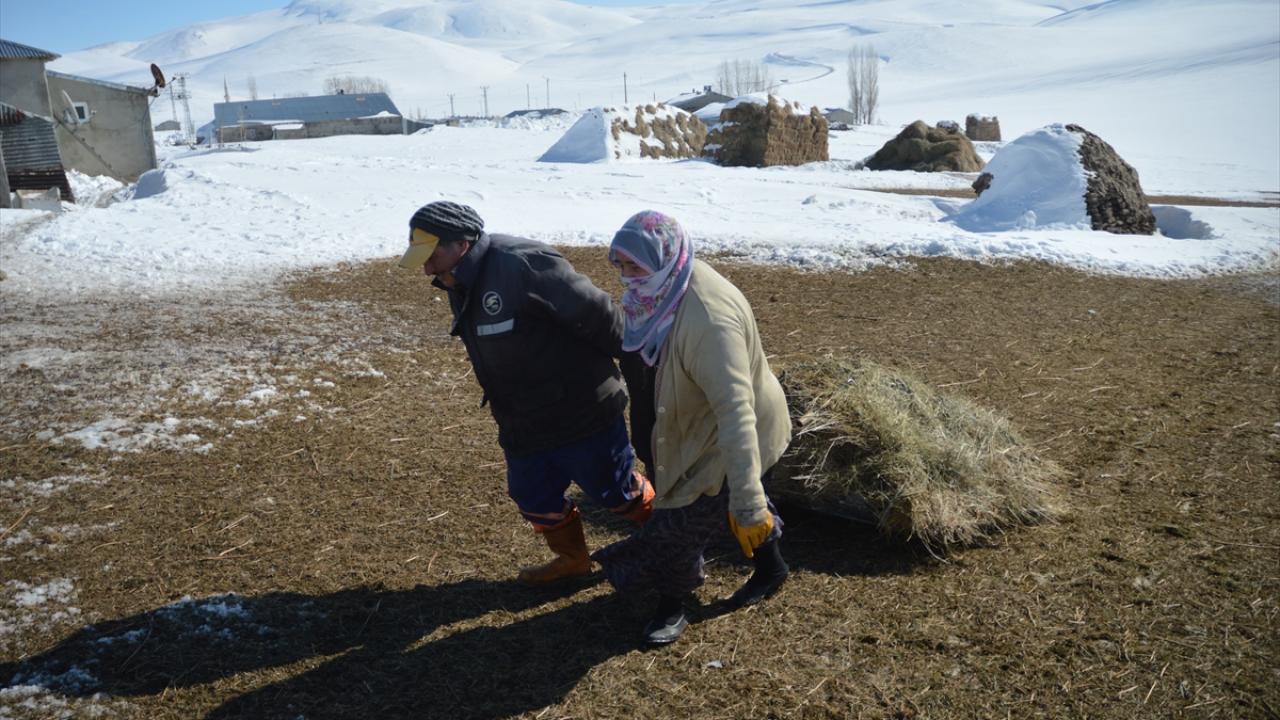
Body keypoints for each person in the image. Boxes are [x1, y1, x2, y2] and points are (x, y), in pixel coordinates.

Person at [397, 201, 653, 586]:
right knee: (533, 496)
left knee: (615, 491)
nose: (427, 269)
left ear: (462, 244)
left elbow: (608, 322)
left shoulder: (525, 265)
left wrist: (646, 378)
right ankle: (573, 559)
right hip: (522, 420)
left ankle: (671, 539)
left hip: (582, 413)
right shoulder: (457, 277)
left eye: (432, 256)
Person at [592, 210, 792, 645]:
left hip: (723, 437)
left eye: (635, 267)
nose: (626, 278)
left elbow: (736, 413)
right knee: (726, 506)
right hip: (682, 426)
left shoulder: (708, 321)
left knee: (677, 529)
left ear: (665, 258)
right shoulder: (661, 291)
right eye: (620, 266)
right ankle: (772, 566)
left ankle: (672, 604)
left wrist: (748, 502)